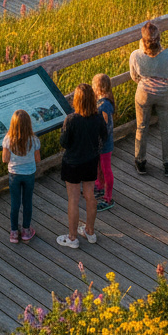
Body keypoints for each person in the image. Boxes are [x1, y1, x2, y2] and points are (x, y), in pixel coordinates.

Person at [57, 83, 107, 249]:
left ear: (76, 100)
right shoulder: (98, 117)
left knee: (73, 199)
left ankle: (72, 237)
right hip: (90, 161)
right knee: (90, 195)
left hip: (72, 163)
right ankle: (90, 231)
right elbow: (104, 137)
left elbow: (63, 142)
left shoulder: (71, 120)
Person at [130, 21, 168, 175]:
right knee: (166, 129)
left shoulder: (136, 55)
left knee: (142, 127)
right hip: (164, 93)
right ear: (159, 38)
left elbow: (134, 76)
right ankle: (167, 163)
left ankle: (140, 161)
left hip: (144, 93)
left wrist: (143, 82)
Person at [2, 109, 41, 243]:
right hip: (29, 174)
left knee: (15, 203)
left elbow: (5, 159)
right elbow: (37, 159)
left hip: (14, 175)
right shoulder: (34, 140)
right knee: (27, 202)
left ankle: (13, 232)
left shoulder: (8, 140)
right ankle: (25, 231)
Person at [91, 73, 115, 210]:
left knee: (106, 169)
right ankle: (99, 186)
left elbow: (107, 126)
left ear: (98, 88)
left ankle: (108, 197)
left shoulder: (104, 105)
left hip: (104, 144)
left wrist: (100, 139)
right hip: (101, 143)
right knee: (99, 167)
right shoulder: (103, 101)